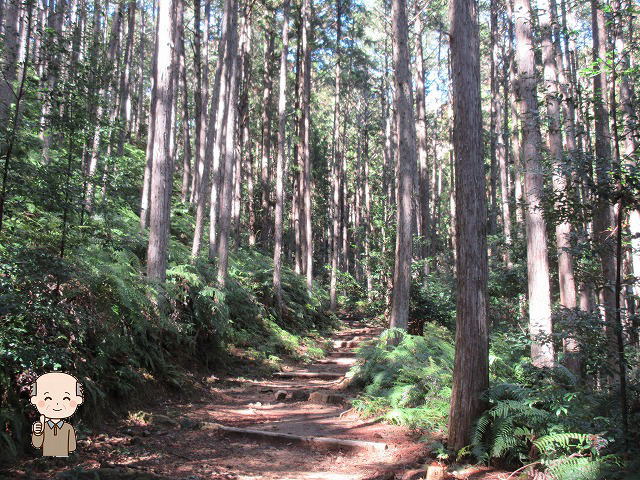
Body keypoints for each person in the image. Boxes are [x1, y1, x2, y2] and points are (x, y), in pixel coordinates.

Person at [30, 372, 83, 457]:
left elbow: (72, 447)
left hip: (64, 458)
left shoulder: (68, 427)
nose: (57, 403)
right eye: (48, 398)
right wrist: (37, 433)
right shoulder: (43, 427)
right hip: (47, 458)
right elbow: (37, 444)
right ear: (35, 399)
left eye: (66, 398)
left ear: (77, 400)